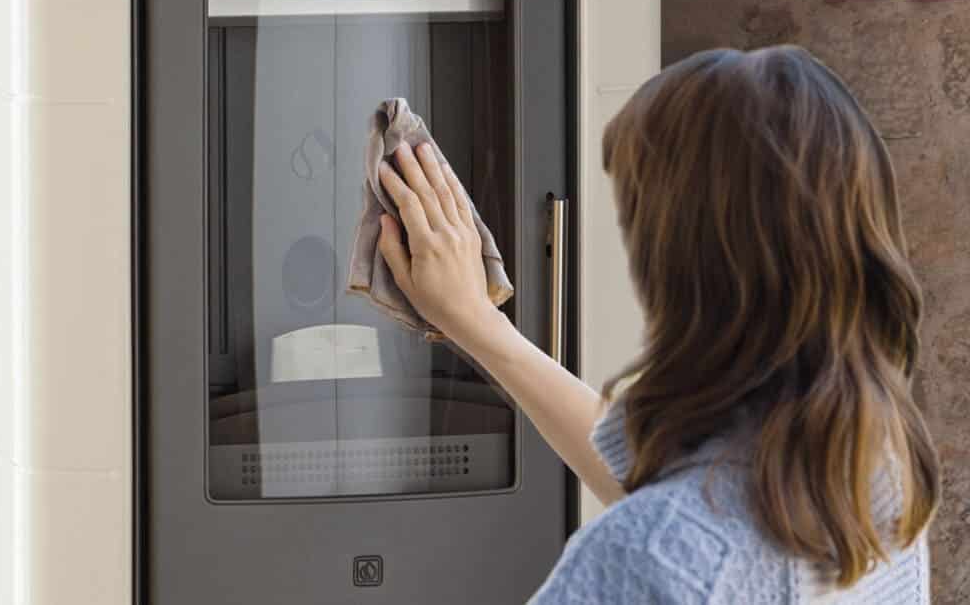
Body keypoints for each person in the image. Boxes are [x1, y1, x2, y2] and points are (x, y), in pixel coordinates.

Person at [374, 45, 941, 604]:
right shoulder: (876, 473)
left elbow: (674, 543)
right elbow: (691, 503)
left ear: (682, 259)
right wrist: (478, 323)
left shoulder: (643, 558)